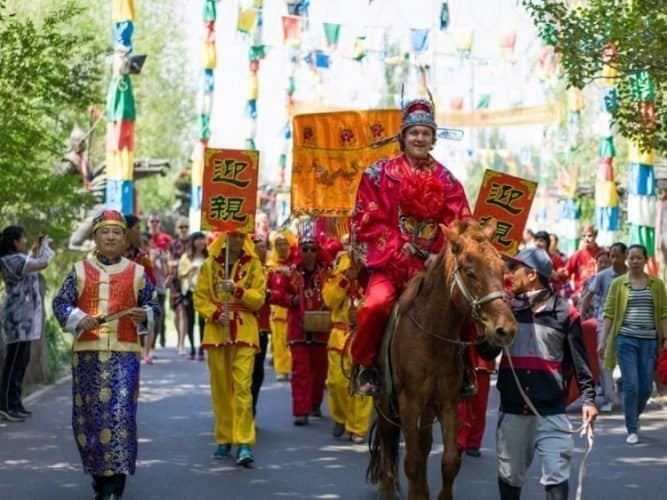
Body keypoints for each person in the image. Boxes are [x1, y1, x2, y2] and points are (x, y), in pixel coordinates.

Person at [350, 96, 472, 395]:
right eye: (414, 132)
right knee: (375, 305)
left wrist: (439, 256)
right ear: (403, 137)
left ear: (433, 139)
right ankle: (367, 367)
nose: (419, 137)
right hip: (390, 263)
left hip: (433, 267)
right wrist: (397, 247)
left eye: (426, 133)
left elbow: (460, 223)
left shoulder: (448, 180)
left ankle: (465, 369)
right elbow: (367, 218)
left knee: (466, 306)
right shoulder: (378, 175)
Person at [478, 247, 598, 500]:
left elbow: (580, 361)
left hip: (552, 412)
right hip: (513, 411)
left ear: (532, 275)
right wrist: (490, 328)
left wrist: (589, 399)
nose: (509, 274)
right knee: (510, 478)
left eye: (514, 269)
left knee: (557, 476)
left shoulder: (567, 312)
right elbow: (486, 354)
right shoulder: (506, 310)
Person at [52, 210, 156, 500]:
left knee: (121, 415)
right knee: (90, 418)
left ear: (125, 238)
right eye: (105, 232)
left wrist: (143, 314)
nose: (111, 237)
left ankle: (116, 484)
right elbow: (60, 303)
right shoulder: (80, 270)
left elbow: (153, 305)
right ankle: (99, 476)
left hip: (125, 355)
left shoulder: (137, 272)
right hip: (87, 355)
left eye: (117, 232)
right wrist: (77, 318)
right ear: (95, 237)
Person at [193, 231, 265, 465]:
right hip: (217, 332)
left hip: (244, 331)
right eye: (231, 236)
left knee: (243, 388)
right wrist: (214, 313)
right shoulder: (210, 265)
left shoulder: (254, 265)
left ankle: (244, 442)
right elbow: (200, 298)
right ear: (224, 238)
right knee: (221, 388)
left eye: (240, 236)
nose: (236, 240)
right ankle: (224, 438)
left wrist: (237, 290)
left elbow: (258, 299)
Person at [599, 244, 667, 445]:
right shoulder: (619, 284)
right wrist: (602, 339)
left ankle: (634, 415)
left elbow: (664, 313)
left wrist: (665, 339)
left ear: (646, 260)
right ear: (627, 260)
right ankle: (631, 427)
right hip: (625, 339)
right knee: (631, 385)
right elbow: (609, 313)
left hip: (649, 341)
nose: (635, 261)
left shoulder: (656, 284)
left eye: (639, 258)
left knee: (646, 387)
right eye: (632, 258)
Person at [269, 233, 330, 426]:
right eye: (305, 249)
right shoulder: (290, 273)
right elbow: (277, 295)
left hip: (321, 328)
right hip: (298, 327)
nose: (309, 253)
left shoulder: (327, 273)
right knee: (300, 370)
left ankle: (314, 404)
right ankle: (300, 411)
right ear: (299, 251)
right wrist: (292, 300)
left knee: (320, 370)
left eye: (313, 249)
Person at [0, 226, 54, 421]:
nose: (24, 241)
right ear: (14, 241)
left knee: (21, 361)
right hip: (16, 318)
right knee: (14, 361)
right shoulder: (10, 260)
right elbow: (42, 263)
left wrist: (34, 249)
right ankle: (6, 404)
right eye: (22, 238)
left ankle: (15, 402)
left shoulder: (17, 259)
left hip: (24, 318)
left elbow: (29, 263)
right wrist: (46, 246)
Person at [322, 246, 372, 443]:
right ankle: (340, 417)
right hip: (339, 335)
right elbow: (329, 300)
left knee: (362, 382)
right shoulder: (340, 269)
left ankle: (358, 427)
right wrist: (345, 280)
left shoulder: (374, 270)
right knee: (335, 383)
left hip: (363, 334)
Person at [580, 243, 627, 412]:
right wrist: (579, 317)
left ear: (625, 256)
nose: (613, 260)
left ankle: (626, 390)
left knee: (626, 360)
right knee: (605, 361)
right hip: (604, 322)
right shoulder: (603, 276)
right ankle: (609, 397)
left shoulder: (634, 275)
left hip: (629, 324)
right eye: (611, 256)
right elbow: (587, 296)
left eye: (616, 256)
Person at [124, 215, 157, 365]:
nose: (140, 233)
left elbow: (152, 287)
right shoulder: (104, 258)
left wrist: (146, 312)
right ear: (126, 231)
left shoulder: (142, 258)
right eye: (137, 228)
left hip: (133, 319)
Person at [266, 230, 296, 382]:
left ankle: (293, 367)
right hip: (277, 310)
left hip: (294, 308)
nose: (282, 247)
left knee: (293, 341)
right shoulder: (271, 265)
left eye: (285, 243)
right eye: (279, 244)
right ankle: (282, 369)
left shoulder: (296, 263)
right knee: (279, 340)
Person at [179, 232, 208, 361]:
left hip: (204, 293)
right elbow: (180, 274)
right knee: (190, 321)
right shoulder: (186, 257)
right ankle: (192, 348)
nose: (201, 242)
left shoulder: (208, 257)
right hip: (189, 292)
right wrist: (191, 270)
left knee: (202, 322)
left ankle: (202, 348)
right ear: (193, 242)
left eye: (203, 240)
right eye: (199, 240)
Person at [251, 235, 270, 416]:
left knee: (257, 370)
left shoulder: (272, 271)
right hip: (242, 326)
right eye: (258, 247)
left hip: (262, 327)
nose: (262, 251)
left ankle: (251, 407)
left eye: (264, 247)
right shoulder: (245, 270)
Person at [560, 225, 604, 304]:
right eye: (584, 236)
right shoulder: (577, 255)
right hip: (581, 294)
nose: (586, 239)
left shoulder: (603, 254)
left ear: (595, 236)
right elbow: (566, 273)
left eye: (589, 236)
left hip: (599, 294)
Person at [147, 213, 171, 349]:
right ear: (148, 223)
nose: (154, 223)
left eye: (157, 221)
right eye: (152, 221)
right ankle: (146, 345)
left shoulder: (166, 239)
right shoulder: (143, 238)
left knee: (159, 313)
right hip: (145, 284)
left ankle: (155, 343)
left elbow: (168, 261)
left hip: (160, 283)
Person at [169, 216, 191, 355]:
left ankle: (182, 343)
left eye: (185, 227)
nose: (183, 230)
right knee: (176, 312)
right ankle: (178, 339)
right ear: (177, 229)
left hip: (188, 280)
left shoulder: (192, 242)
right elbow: (170, 261)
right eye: (181, 227)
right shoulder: (173, 244)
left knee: (184, 312)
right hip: (175, 281)